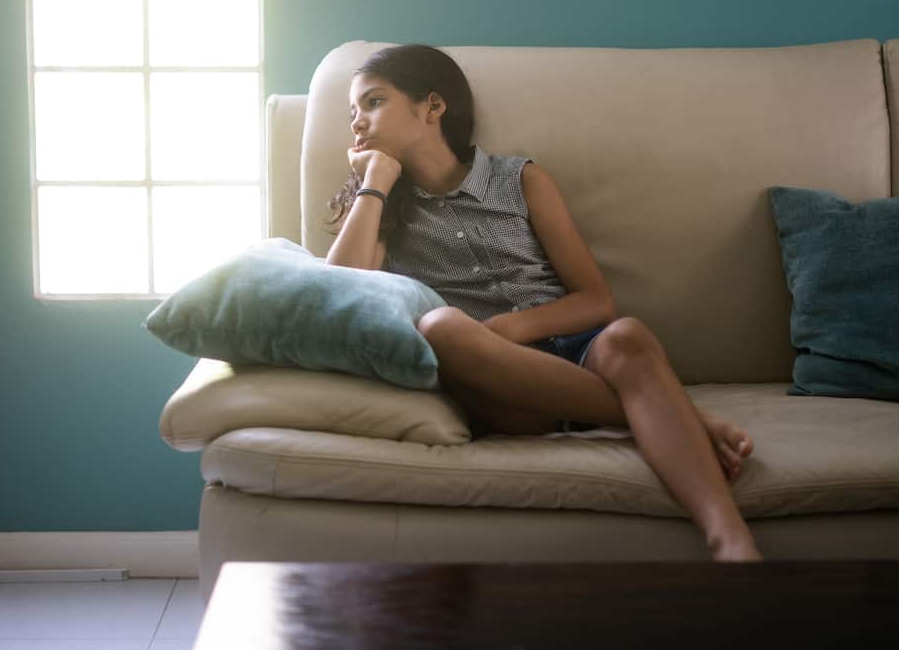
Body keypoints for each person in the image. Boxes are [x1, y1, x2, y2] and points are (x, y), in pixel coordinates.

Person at [324, 44, 762, 562]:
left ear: (432, 107)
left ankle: (732, 543)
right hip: (495, 383)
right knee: (441, 325)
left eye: (373, 103)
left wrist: (510, 328)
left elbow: (596, 301)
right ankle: (678, 416)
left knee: (628, 335)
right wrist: (374, 184)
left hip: (570, 348)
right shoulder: (382, 212)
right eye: (351, 113)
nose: (357, 124)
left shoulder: (521, 179)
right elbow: (340, 296)